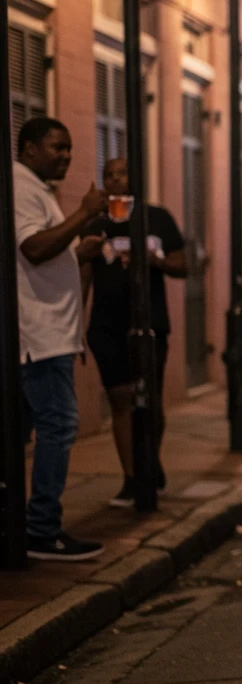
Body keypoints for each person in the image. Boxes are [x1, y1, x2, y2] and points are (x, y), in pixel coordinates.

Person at [12, 117, 108, 561]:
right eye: (58, 148)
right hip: (41, 335)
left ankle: (25, 525)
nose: (67, 156)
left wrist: (77, 253)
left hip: (51, 333)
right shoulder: (21, 186)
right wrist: (83, 214)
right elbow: (32, 247)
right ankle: (41, 528)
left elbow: (42, 253)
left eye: (70, 148)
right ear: (30, 149)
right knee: (60, 424)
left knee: (25, 431)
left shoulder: (36, 188)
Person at [87, 158, 188, 507]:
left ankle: (149, 462)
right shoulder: (96, 223)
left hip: (149, 324)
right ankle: (132, 477)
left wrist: (154, 260)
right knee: (120, 399)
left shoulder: (156, 218)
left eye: (121, 173)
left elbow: (183, 264)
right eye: (108, 175)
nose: (114, 180)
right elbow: (85, 273)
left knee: (150, 399)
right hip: (106, 323)